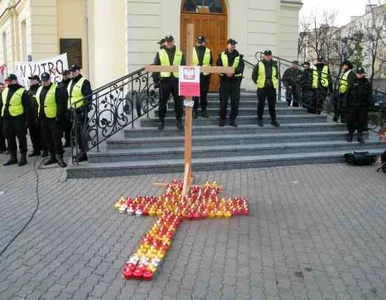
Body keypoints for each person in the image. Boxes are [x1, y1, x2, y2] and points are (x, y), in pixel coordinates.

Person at [152, 35, 186, 130]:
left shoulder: (180, 53)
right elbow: (155, 67)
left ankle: (179, 121)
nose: (169, 43)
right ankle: (161, 121)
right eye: (167, 41)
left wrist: (184, 82)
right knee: (162, 102)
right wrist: (156, 81)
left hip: (177, 81)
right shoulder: (160, 53)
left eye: (170, 41)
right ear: (165, 42)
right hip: (164, 81)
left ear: (173, 41)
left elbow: (184, 66)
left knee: (179, 103)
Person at [36, 73, 67, 167]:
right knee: (47, 139)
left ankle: (59, 158)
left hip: (53, 119)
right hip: (43, 118)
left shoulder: (56, 88)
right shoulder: (40, 88)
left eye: (46, 80)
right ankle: (52, 157)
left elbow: (61, 103)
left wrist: (59, 116)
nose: (44, 82)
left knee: (56, 139)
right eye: (43, 80)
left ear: (50, 79)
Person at [1, 74, 29, 166]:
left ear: (15, 80)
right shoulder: (5, 91)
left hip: (18, 118)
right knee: (9, 138)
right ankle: (13, 157)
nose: (8, 82)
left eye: (10, 80)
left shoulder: (22, 91)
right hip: (7, 119)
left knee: (21, 138)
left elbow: (27, 107)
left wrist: (26, 121)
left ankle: (23, 157)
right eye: (7, 80)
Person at [217, 38, 244, 127]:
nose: (233, 46)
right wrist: (226, 73)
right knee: (223, 102)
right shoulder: (221, 55)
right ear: (227, 45)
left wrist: (232, 72)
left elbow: (240, 68)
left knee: (235, 102)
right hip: (225, 82)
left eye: (234, 44)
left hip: (235, 82)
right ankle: (222, 119)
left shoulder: (239, 56)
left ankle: (232, 119)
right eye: (231, 44)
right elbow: (218, 67)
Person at [67, 64, 93, 162]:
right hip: (72, 111)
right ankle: (82, 151)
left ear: (78, 71)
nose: (72, 73)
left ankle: (84, 152)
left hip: (80, 112)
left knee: (81, 133)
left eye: (74, 71)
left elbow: (88, 98)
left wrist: (82, 109)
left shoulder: (84, 82)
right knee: (77, 133)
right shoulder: (71, 82)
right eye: (71, 71)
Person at [252, 49, 280, 128]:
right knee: (261, 104)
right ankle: (260, 119)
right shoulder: (259, 64)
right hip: (262, 88)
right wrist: (258, 83)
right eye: (266, 55)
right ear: (264, 56)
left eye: (269, 55)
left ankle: (273, 120)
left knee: (272, 105)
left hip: (271, 88)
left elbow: (276, 76)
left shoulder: (274, 64)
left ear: (271, 56)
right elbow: (254, 76)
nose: (268, 57)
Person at [346, 67, 372, 143]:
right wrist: (346, 104)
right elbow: (348, 93)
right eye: (358, 73)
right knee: (351, 121)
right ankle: (350, 135)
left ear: (363, 73)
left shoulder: (367, 82)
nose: (359, 75)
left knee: (361, 121)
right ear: (356, 74)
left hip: (362, 106)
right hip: (353, 105)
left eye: (361, 73)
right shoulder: (353, 81)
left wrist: (369, 105)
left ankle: (359, 136)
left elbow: (369, 95)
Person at [192, 36, 213, 119]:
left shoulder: (208, 51)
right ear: (196, 42)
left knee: (204, 94)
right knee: (195, 95)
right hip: (195, 75)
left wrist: (208, 73)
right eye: (198, 41)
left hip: (205, 76)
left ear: (204, 42)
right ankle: (195, 110)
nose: (199, 43)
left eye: (201, 42)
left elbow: (211, 62)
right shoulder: (192, 50)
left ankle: (204, 110)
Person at [27, 75, 46, 157]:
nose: (31, 81)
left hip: (39, 115)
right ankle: (36, 149)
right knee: (33, 134)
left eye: (33, 79)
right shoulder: (29, 91)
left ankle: (45, 149)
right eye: (31, 80)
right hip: (31, 116)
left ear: (38, 80)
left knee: (42, 134)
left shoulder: (41, 89)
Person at [59, 70, 71, 147]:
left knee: (70, 126)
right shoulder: (60, 84)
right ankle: (67, 141)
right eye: (63, 75)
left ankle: (71, 141)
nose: (65, 76)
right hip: (62, 108)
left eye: (66, 74)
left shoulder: (71, 82)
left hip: (70, 107)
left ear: (69, 74)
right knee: (64, 127)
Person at [0, 82, 7, 153]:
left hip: (5, 116)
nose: (1, 89)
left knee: (6, 133)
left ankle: (8, 147)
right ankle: (2, 148)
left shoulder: (5, 95)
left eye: (2, 87)